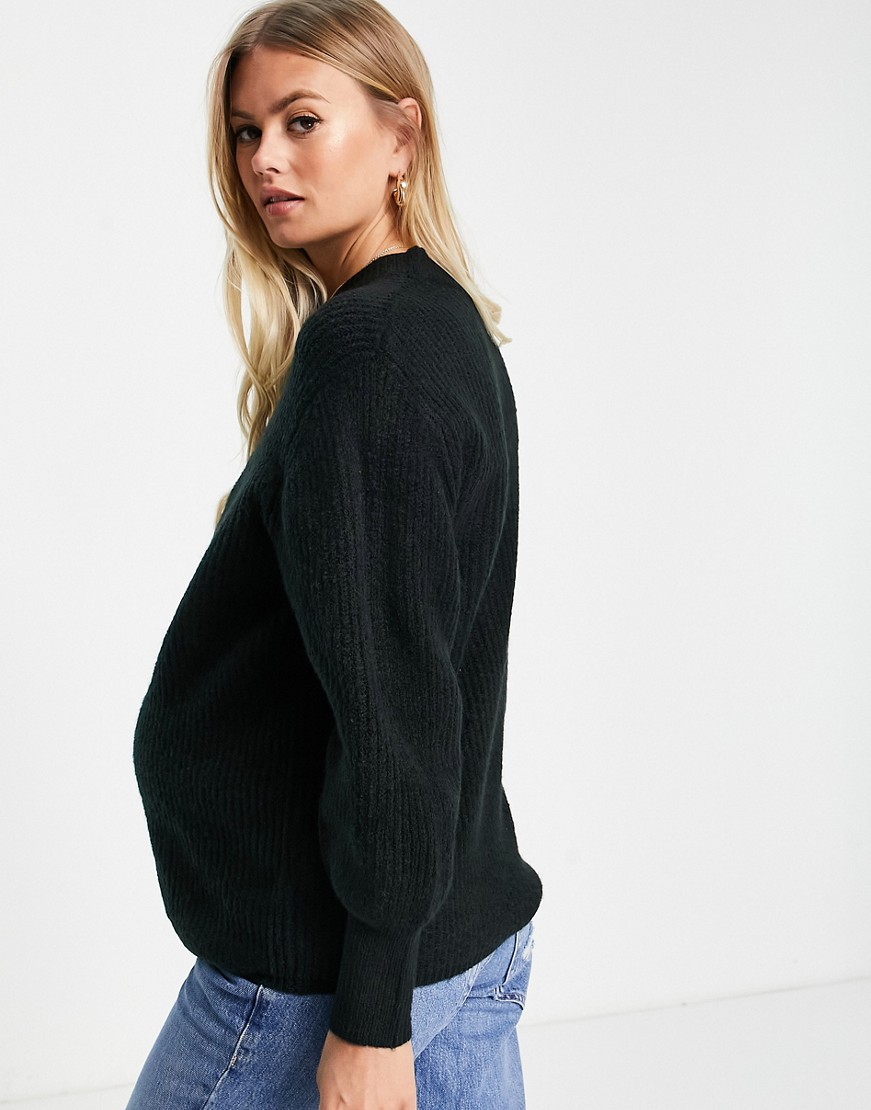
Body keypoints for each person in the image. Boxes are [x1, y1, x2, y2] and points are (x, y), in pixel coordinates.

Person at [127, 0, 543, 1106]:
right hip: (456, 934)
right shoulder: (432, 319)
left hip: (320, 977)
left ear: (402, 136)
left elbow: (396, 711)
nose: (264, 158)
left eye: (301, 121)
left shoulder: (369, 355)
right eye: (245, 131)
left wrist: (370, 1019)